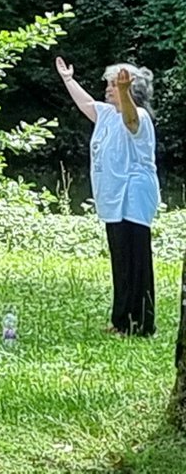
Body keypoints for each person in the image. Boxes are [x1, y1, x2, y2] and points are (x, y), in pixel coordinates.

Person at [56, 54, 160, 335]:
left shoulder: (136, 116)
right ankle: (121, 320)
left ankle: (140, 324)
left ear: (129, 89)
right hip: (115, 198)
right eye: (111, 85)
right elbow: (86, 103)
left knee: (135, 260)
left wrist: (125, 93)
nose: (109, 89)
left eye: (115, 85)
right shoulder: (105, 114)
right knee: (120, 258)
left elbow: (129, 119)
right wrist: (68, 79)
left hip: (135, 197)